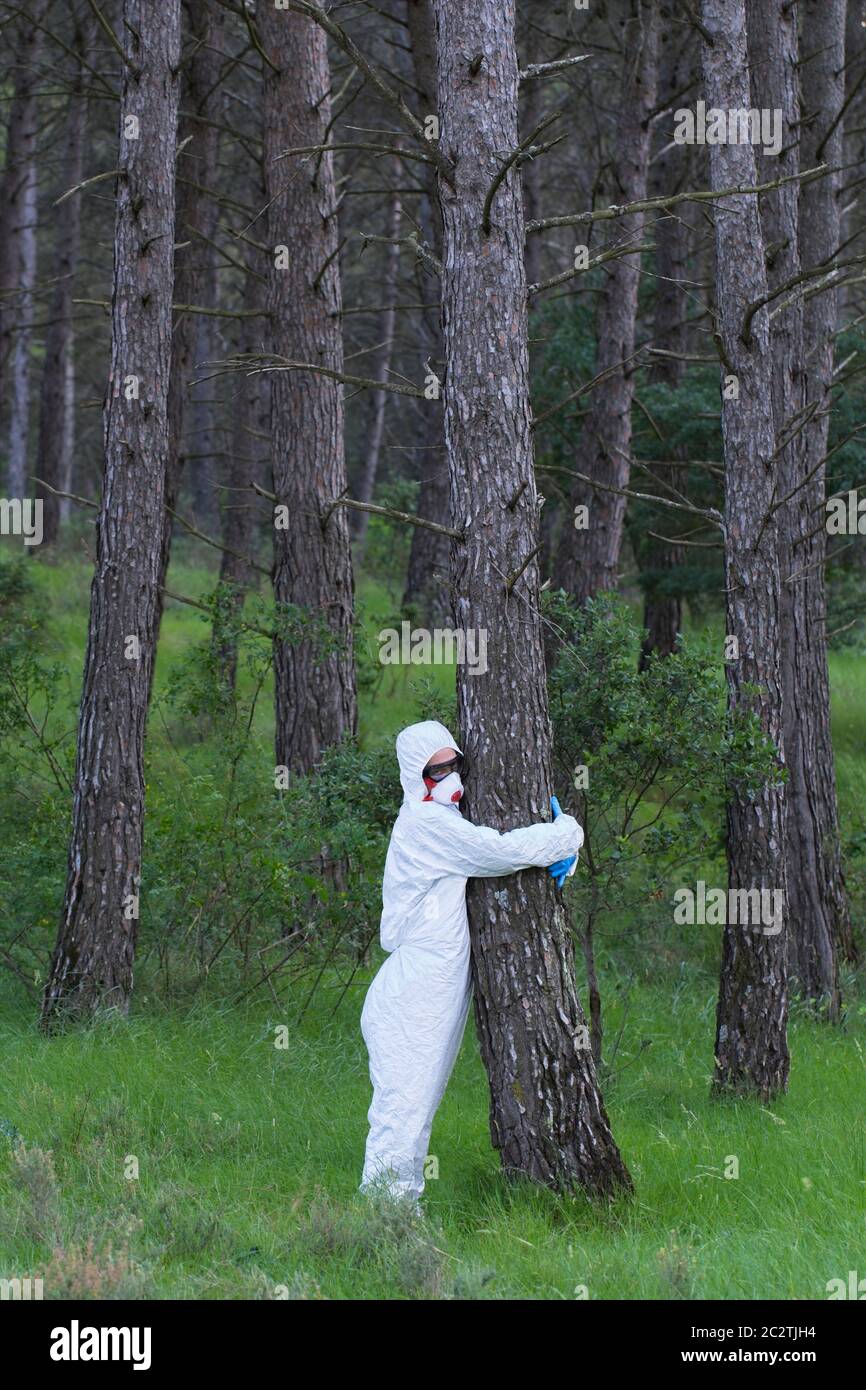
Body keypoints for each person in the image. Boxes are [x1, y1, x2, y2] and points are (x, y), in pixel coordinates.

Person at [359, 719, 584, 1202]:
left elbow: (490, 856)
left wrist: (559, 852)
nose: (448, 779)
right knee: (403, 1112)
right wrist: (566, 834)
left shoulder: (442, 823)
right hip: (413, 992)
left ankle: (392, 1217)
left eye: (453, 766)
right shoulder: (426, 824)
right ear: (413, 775)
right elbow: (499, 852)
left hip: (428, 991)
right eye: (434, 772)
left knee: (416, 1109)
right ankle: (383, 1220)